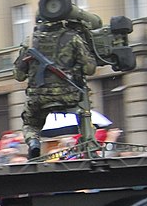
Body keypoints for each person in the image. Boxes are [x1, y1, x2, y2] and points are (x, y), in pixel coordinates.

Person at [12, 17, 96, 154]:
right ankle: (87, 143)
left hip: (38, 98)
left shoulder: (30, 41)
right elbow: (90, 69)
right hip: (69, 96)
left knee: (30, 124)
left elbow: (18, 75)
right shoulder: (73, 38)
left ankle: (33, 142)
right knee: (84, 111)